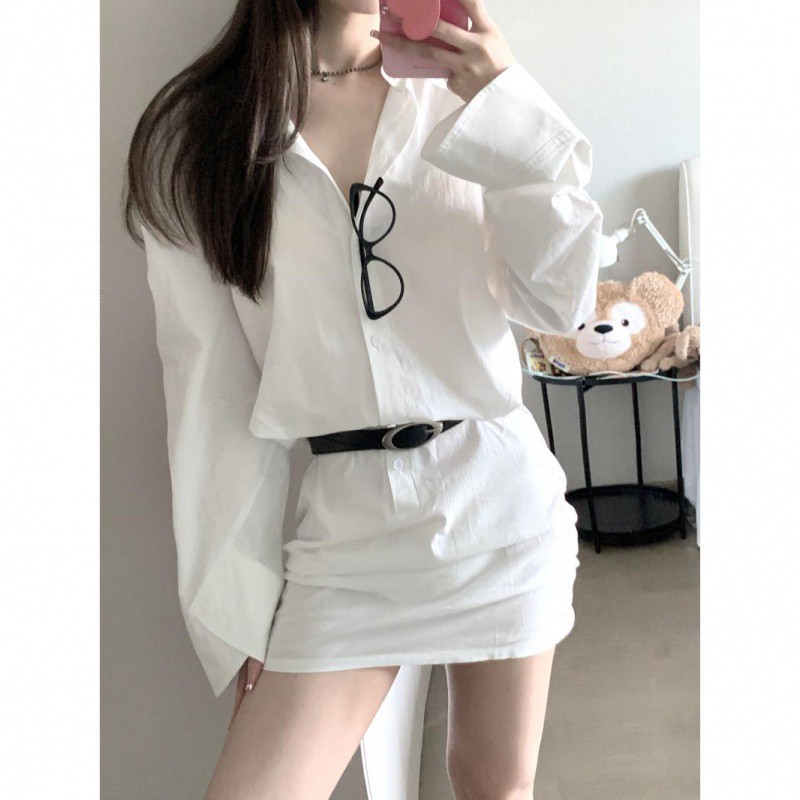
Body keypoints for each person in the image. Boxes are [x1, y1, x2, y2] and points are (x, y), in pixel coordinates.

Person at [124, 1, 603, 797]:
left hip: (497, 509)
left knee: (492, 786)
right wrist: (234, 604)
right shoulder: (203, 132)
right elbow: (208, 393)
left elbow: (560, 305)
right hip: (345, 544)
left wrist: (508, 109)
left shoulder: (458, 89)